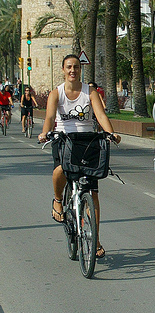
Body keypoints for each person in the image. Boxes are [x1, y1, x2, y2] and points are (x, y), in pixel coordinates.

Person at [38, 54, 121, 258]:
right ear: (63, 69)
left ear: (80, 69)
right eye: (69, 67)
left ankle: (96, 239)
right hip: (64, 138)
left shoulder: (89, 91)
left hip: (87, 140)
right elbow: (49, 117)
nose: (73, 70)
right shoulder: (56, 93)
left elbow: (100, 115)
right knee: (60, 170)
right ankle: (58, 199)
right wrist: (45, 132)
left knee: (92, 193)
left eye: (76, 66)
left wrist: (111, 133)